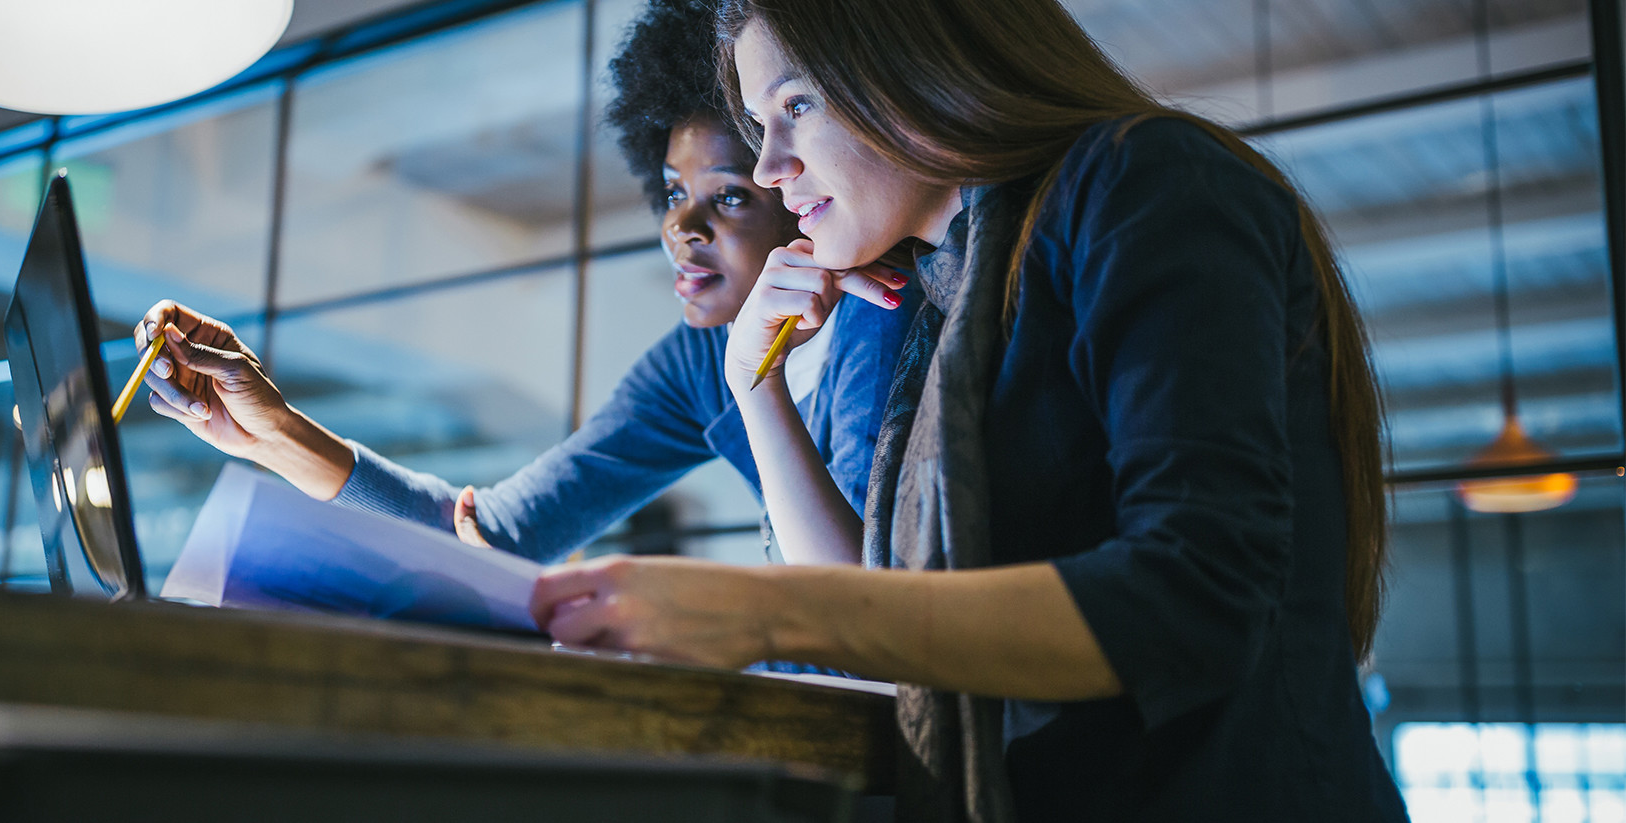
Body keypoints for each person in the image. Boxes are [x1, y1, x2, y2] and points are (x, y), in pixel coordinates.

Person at [526, 0, 1410, 820]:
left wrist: (768, 612)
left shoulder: (1143, 180)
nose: (768, 166)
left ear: (909, 65)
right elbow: (883, 621)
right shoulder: (944, 286)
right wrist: (754, 384)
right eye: (760, 126)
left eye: (795, 107)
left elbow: (1197, 595)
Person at [134, 0, 915, 565]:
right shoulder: (698, 363)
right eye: (674, 194)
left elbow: (868, 606)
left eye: (730, 194)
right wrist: (271, 429)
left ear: (798, 191)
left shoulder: (888, 310)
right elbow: (494, 538)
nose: (682, 228)